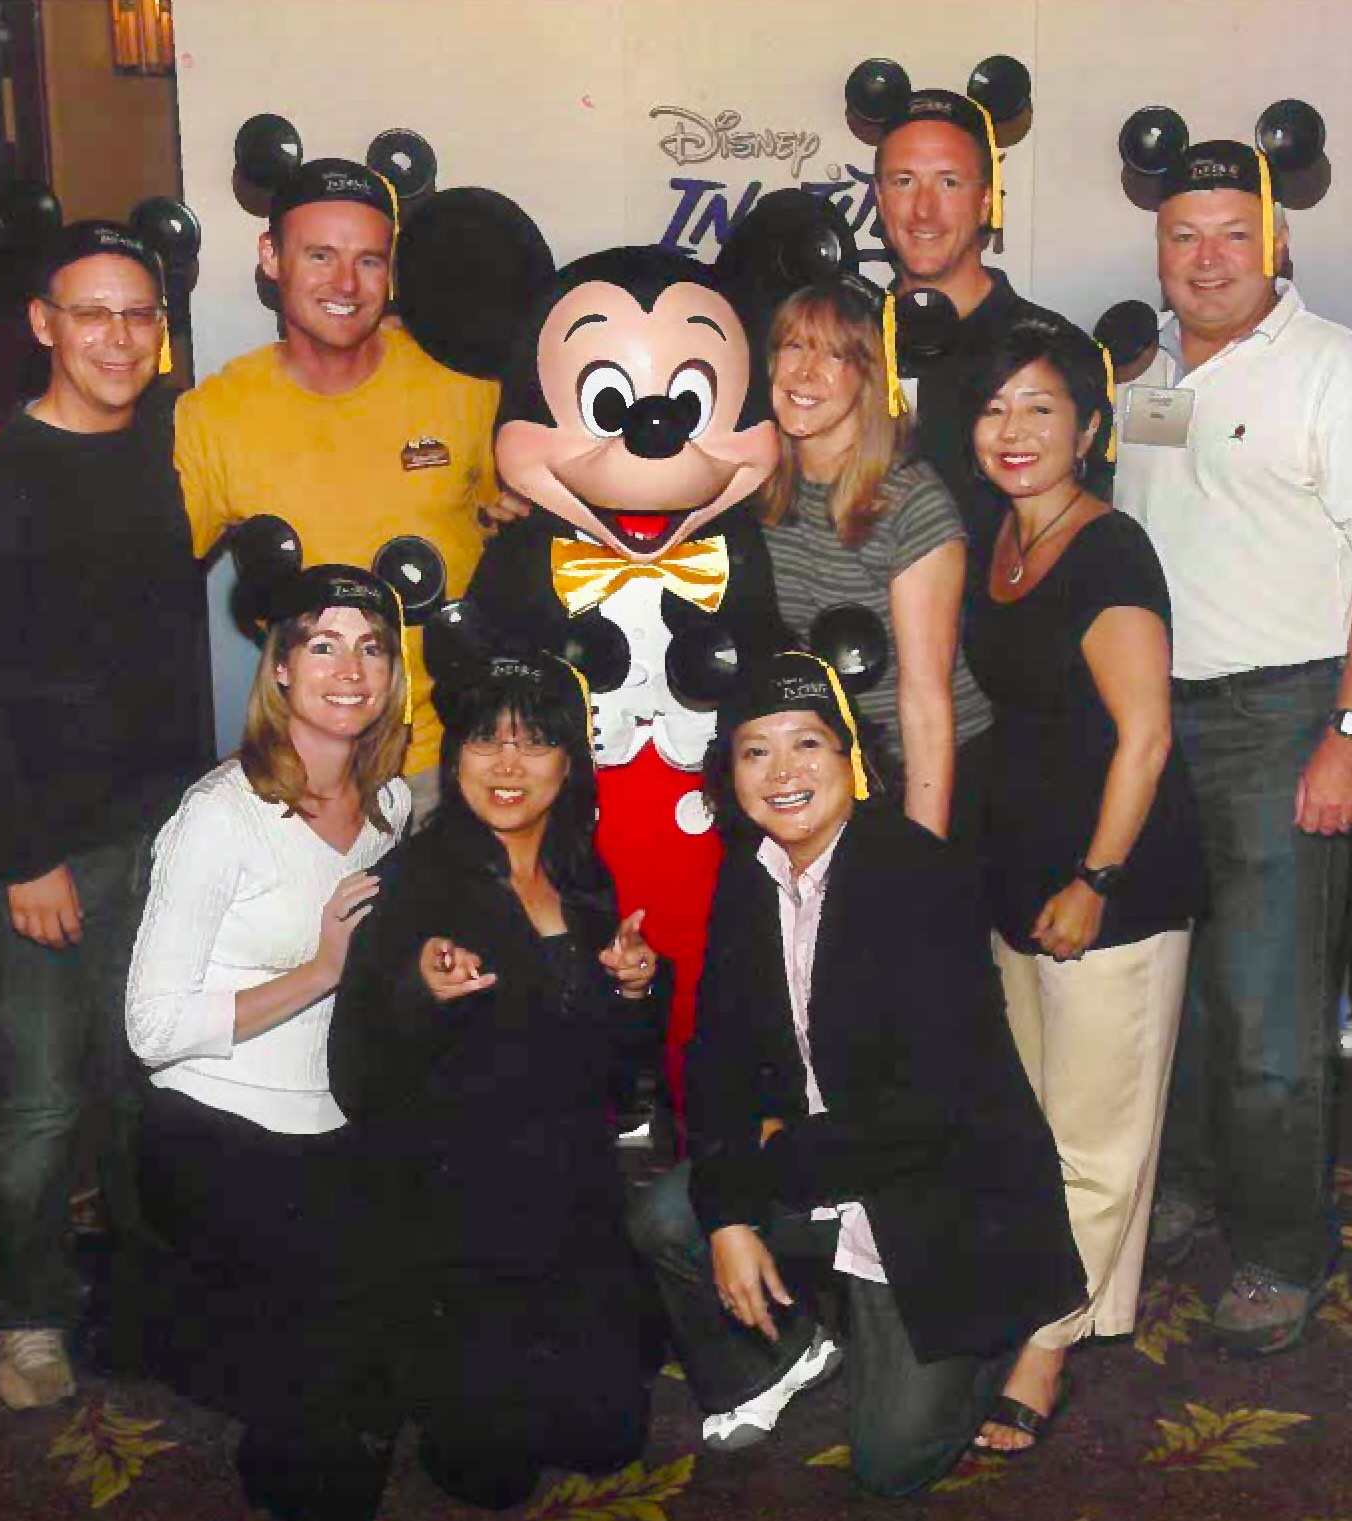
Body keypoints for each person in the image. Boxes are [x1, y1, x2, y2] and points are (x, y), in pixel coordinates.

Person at [627, 653, 1084, 1495]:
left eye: (807, 743)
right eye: (754, 752)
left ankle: (1021, 1324)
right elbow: (717, 1058)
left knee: (890, 1463)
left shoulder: (921, 876)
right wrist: (729, 1217)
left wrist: (772, 1157)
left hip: (935, 1193)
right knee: (667, 1218)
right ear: (730, 776)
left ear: (852, 758)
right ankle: (791, 1350)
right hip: (825, 1166)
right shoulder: (745, 876)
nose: (783, 772)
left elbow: (928, 1111)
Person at [1113, 141, 1352, 1354]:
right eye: (1185, 235)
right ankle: (1194, 1189)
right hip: (1150, 724)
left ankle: (1283, 1251)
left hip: (1283, 717)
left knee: (1271, 1016)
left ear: (1277, 244)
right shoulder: (1141, 370)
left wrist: (1348, 734)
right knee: (1177, 1000)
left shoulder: (1338, 373)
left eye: (1232, 234)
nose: (1206, 259)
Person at [0, 220, 208, 1412]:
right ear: (42, 324)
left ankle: (154, 1301)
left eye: (138, 315)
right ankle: (31, 1313)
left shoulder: (161, 453)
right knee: (43, 1100)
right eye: (91, 313)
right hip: (37, 848)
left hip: (160, 831)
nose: (117, 337)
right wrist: (27, 858)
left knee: (152, 1079)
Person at [329, 653, 661, 1510]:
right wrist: (419, 994)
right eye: (485, 741)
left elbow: (618, 1077)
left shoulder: (585, 882)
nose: (508, 766)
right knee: (489, 1476)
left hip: (571, 1204)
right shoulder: (410, 884)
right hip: (456, 1223)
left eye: (535, 742)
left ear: (568, 763)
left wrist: (629, 990)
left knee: (609, 1439)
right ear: (455, 756)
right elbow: (354, 1076)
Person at [959, 315, 1203, 1449]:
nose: (1013, 431)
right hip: (1017, 866)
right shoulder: (997, 540)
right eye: (995, 407)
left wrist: (1096, 877)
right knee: (1034, 1114)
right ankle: (1054, 1301)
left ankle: (1045, 1346)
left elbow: (1144, 735)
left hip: (1112, 879)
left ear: (1091, 428)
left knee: (1092, 1131)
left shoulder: (1111, 551)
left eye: (1040, 409)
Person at [124, 565, 411, 1521]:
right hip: (216, 1124)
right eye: (321, 644)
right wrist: (319, 971)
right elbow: (152, 1028)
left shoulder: (390, 806)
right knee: (326, 1398)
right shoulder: (219, 816)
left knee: (398, 1325)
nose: (349, 668)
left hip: (334, 1116)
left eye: (371, 646)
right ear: (280, 669)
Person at [176, 156, 512, 815]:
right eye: (320, 255)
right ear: (271, 257)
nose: (346, 283)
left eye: (368, 260)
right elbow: (134, 581)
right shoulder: (212, 414)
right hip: (310, 779)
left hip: (456, 764)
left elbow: (532, 531)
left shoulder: (466, 387)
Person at [757, 279, 992, 846]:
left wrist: (922, 853)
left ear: (868, 376)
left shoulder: (909, 500)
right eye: (795, 346)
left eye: (836, 354)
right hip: (831, 769)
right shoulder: (760, 484)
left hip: (928, 775)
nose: (807, 372)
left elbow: (925, 702)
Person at [873, 92, 1061, 554]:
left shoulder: (1052, 352)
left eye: (949, 183)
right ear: (879, 199)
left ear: (985, 201)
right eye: (904, 182)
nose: (923, 210)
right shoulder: (837, 342)